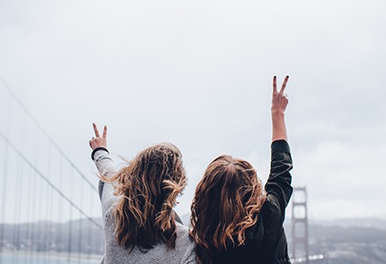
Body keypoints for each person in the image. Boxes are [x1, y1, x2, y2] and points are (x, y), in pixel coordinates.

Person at [189, 75, 293, 264]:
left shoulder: (203, 237)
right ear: (252, 188)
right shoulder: (269, 215)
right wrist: (277, 113)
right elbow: (281, 171)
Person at [89, 123, 196, 264]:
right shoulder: (187, 244)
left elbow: (109, 173)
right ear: (176, 187)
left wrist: (100, 150)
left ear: (133, 175)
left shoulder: (113, 214)